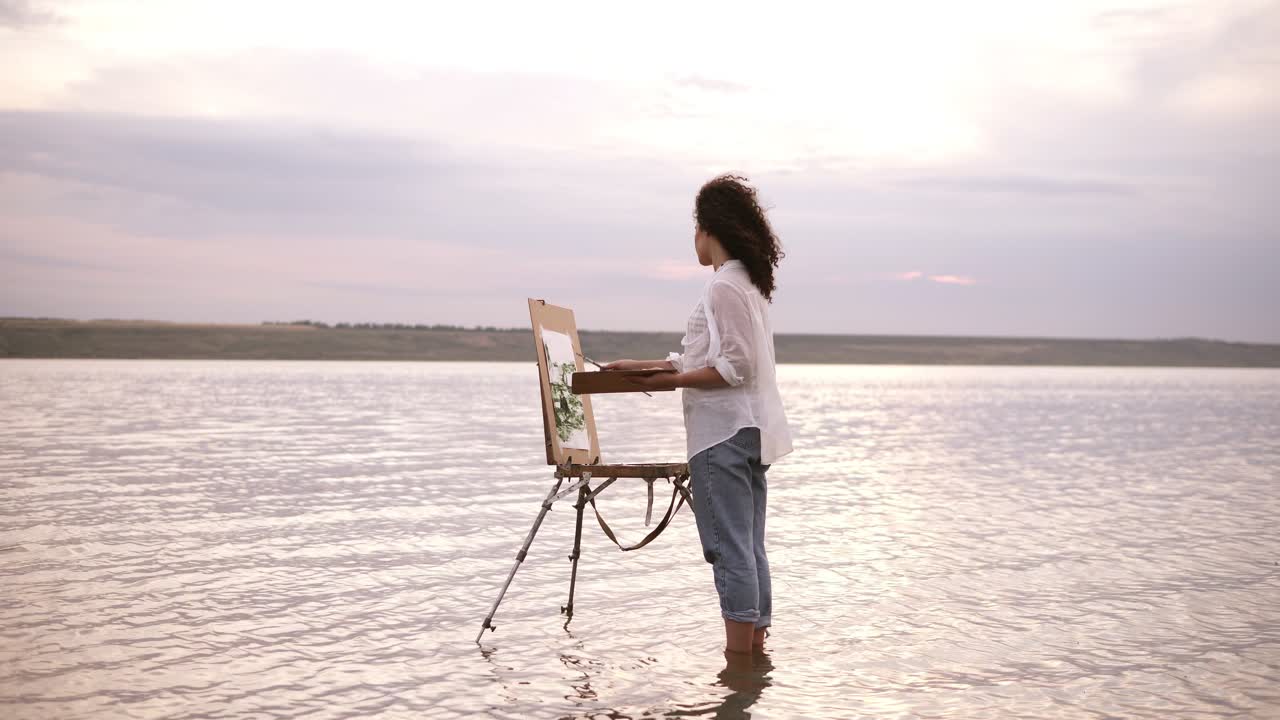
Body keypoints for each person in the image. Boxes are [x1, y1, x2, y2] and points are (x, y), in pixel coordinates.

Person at [602, 174, 793, 657]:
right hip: (745, 432)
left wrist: (671, 381)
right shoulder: (745, 285)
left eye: (695, 228)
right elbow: (711, 357)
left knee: (730, 550)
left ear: (710, 229)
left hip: (721, 435)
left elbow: (735, 366)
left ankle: (737, 662)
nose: (693, 239)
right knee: (747, 546)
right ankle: (751, 660)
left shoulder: (724, 287)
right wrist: (646, 367)